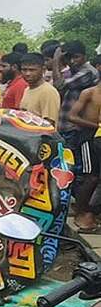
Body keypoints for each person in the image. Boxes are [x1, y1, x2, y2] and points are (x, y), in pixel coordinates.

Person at [53, 40, 100, 155]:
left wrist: (56, 60)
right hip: (67, 126)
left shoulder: (87, 72)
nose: (73, 61)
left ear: (85, 56)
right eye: (69, 58)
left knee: (76, 166)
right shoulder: (72, 72)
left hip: (77, 128)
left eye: (76, 57)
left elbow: (59, 85)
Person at [67, 82, 101, 232]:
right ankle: (81, 212)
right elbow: (72, 116)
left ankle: (89, 212)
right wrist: (96, 126)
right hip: (87, 137)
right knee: (90, 177)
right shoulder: (89, 93)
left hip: (98, 137)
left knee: (97, 177)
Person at [19, 53, 61, 125]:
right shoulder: (27, 90)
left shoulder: (48, 92)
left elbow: (49, 124)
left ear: (43, 70)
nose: (27, 73)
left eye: (32, 70)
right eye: (24, 70)